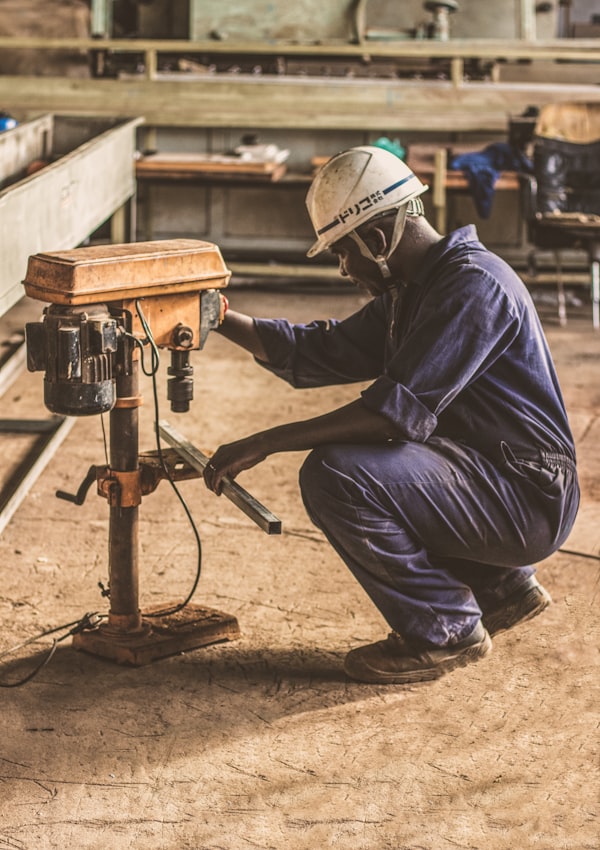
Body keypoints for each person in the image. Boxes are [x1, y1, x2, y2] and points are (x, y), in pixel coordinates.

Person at [203, 144, 579, 685]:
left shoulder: (473, 286)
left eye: (342, 252)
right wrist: (219, 316)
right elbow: (317, 351)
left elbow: (393, 415)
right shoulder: (415, 290)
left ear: (376, 240)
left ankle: (445, 630)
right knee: (386, 465)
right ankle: (501, 587)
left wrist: (268, 440)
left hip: (529, 497)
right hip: (498, 479)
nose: (343, 268)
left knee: (338, 474)